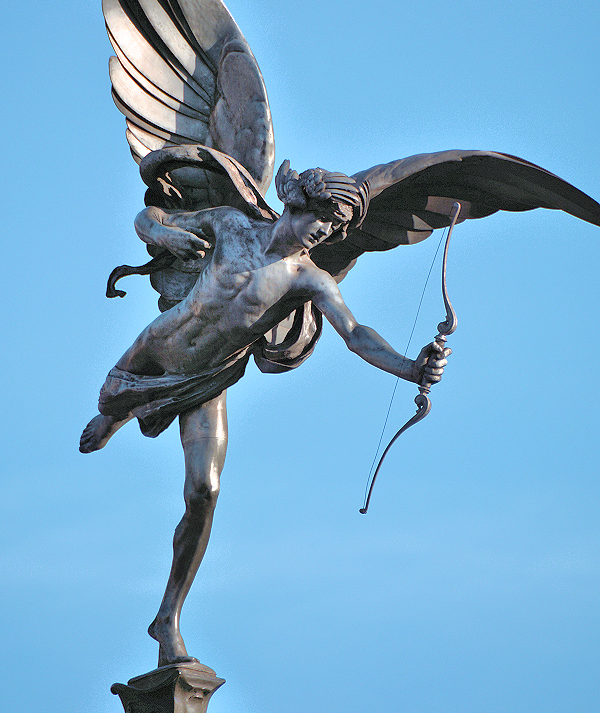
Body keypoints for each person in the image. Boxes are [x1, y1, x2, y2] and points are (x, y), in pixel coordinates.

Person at [80, 165, 450, 666]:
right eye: (324, 218)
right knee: (106, 408)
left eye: (337, 227)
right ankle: (118, 411)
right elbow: (149, 217)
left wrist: (410, 368)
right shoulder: (231, 226)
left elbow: (356, 332)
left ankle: (167, 618)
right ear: (299, 202)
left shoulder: (307, 278)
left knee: (204, 492)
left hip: (206, 379)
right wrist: (168, 233)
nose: (327, 232)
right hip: (149, 354)